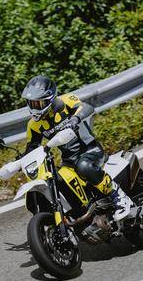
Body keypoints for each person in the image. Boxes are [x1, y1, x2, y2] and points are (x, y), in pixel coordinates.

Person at [22, 75, 133, 221]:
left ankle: (119, 196)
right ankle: (77, 215)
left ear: (49, 99)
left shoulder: (66, 100)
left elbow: (87, 107)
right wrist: (19, 161)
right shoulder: (33, 125)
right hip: (69, 160)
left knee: (84, 166)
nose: (34, 107)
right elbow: (32, 147)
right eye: (31, 103)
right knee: (57, 179)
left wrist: (75, 118)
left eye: (38, 103)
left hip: (90, 150)